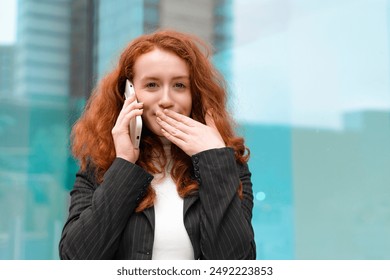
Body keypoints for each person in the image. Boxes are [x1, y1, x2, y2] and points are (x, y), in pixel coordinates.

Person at [59, 29, 256, 260]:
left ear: (196, 94)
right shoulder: (102, 166)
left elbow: (237, 264)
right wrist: (123, 164)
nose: (166, 100)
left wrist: (212, 158)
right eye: (152, 85)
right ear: (128, 93)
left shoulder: (228, 166)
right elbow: (76, 259)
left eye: (179, 86)